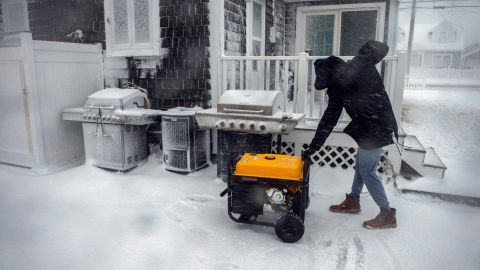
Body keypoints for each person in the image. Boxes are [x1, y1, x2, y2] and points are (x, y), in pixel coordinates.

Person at [302, 40, 398, 229]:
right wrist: (315, 146)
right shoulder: (349, 75)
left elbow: (328, 120)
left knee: (367, 170)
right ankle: (354, 200)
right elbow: (328, 120)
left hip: (375, 127)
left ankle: (387, 214)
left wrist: (314, 146)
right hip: (371, 125)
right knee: (360, 165)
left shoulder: (357, 67)